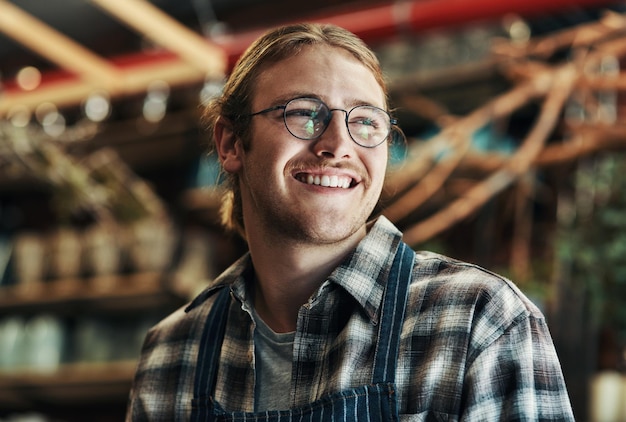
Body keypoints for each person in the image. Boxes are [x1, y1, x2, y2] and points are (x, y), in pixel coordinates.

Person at [126, 23, 574, 421]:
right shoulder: (173, 351)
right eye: (303, 112)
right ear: (230, 144)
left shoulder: (480, 321)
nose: (339, 144)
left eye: (364, 121)